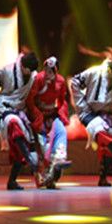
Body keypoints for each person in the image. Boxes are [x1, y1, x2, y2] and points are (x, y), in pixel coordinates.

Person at [71, 56, 112, 187]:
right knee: (100, 130)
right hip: (88, 111)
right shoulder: (94, 72)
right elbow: (74, 81)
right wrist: (81, 104)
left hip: (107, 114)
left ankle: (103, 177)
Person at [0, 51, 40, 191]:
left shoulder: (33, 76)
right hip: (6, 109)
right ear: (22, 66)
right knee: (14, 125)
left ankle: (13, 180)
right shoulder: (7, 71)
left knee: (23, 144)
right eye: (28, 70)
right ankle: (29, 158)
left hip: (21, 110)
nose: (29, 73)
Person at [27, 57, 73, 189]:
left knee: (61, 131)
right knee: (43, 147)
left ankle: (59, 158)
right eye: (46, 70)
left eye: (51, 71)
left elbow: (62, 100)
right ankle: (43, 176)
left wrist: (62, 115)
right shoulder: (38, 79)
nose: (48, 73)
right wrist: (37, 116)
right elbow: (30, 100)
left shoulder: (60, 81)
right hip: (38, 116)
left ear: (56, 71)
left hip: (52, 114)